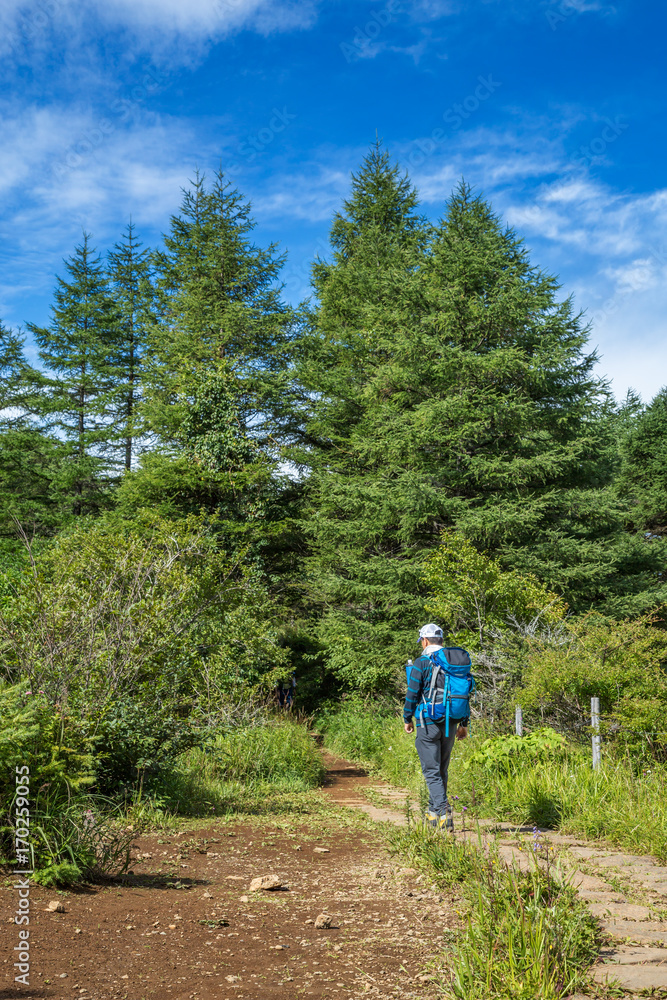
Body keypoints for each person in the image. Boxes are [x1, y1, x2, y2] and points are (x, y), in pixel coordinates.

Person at [403, 623, 468, 831]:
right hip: (451, 722)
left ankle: (443, 813)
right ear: (441, 640)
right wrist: (464, 724)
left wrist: (407, 718)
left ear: (424, 641)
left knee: (431, 771)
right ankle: (433, 817)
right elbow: (464, 693)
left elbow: (412, 693)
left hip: (428, 723)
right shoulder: (453, 662)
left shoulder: (422, 662)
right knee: (441, 770)